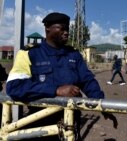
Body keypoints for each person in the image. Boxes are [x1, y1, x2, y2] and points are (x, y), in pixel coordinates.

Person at [6, 12, 117, 140]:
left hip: (70, 126)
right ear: (47, 27)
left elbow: (88, 81)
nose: (66, 32)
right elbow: (15, 86)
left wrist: (101, 104)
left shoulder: (73, 55)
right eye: (61, 28)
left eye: (67, 29)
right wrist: (56, 90)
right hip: (40, 127)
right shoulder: (29, 53)